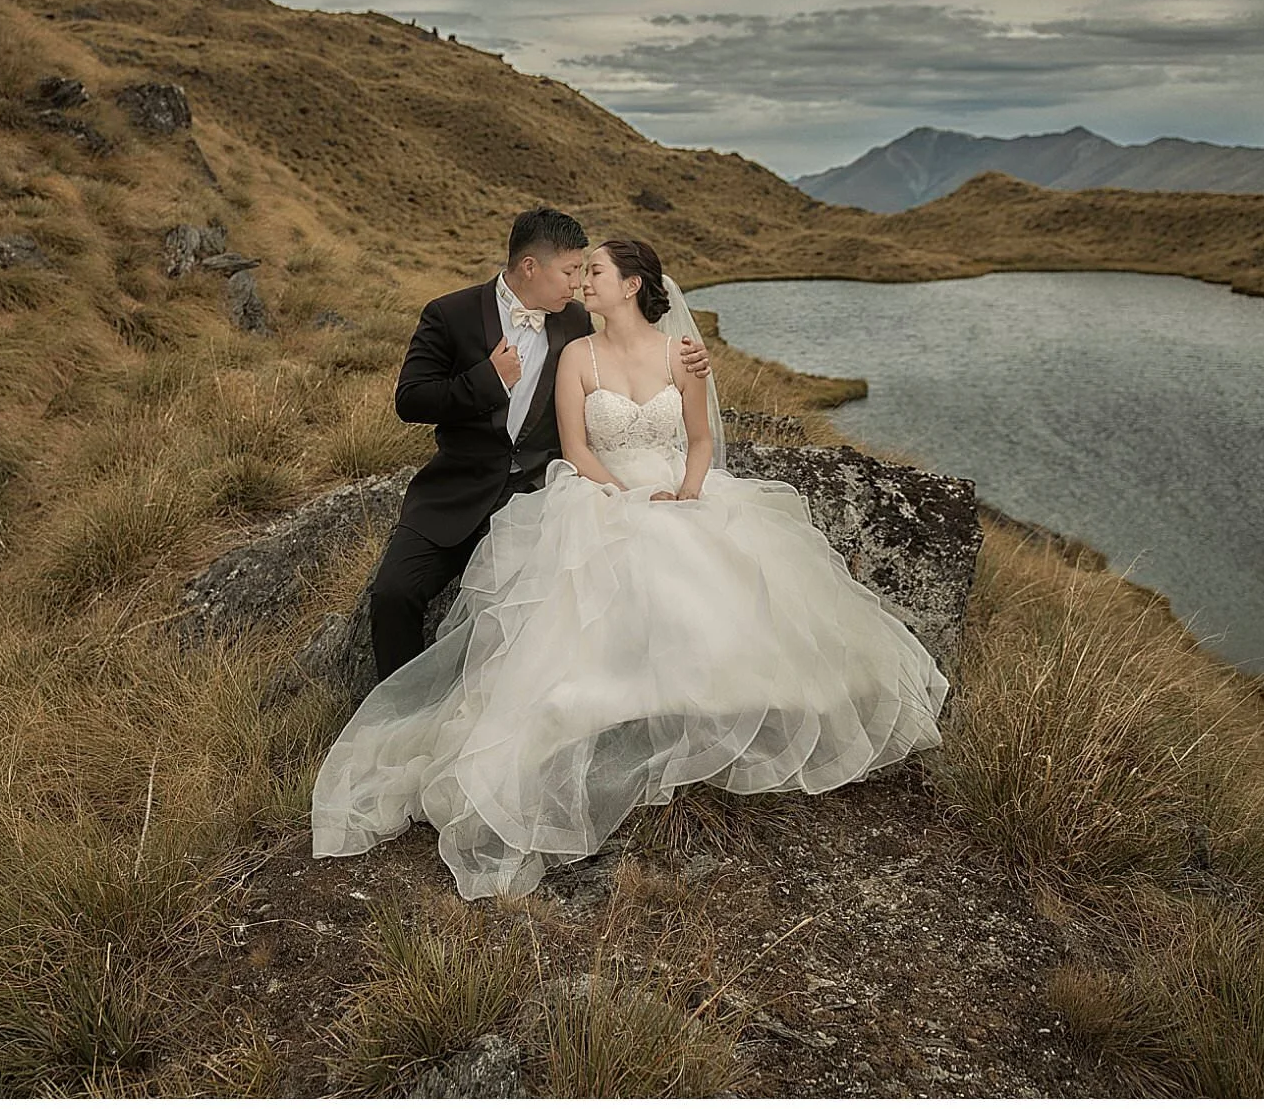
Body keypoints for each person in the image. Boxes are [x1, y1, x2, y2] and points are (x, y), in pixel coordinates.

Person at [313, 237, 952, 900]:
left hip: (683, 490)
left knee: (716, 581)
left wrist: (689, 492)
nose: (584, 280)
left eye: (595, 272)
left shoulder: (685, 355)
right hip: (602, 491)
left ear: (633, 284)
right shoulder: (574, 354)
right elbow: (574, 446)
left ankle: (706, 706)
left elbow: (701, 441)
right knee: (606, 592)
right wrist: (623, 494)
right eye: (579, 270)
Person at [367, 208, 710, 684]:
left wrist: (691, 354)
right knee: (393, 594)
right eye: (570, 271)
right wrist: (486, 381)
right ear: (531, 267)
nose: (576, 285)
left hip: (538, 497)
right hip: (456, 494)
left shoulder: (574, 324)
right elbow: (410, 399)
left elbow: (630, 351)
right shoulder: (450, 314)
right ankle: (395, 711)